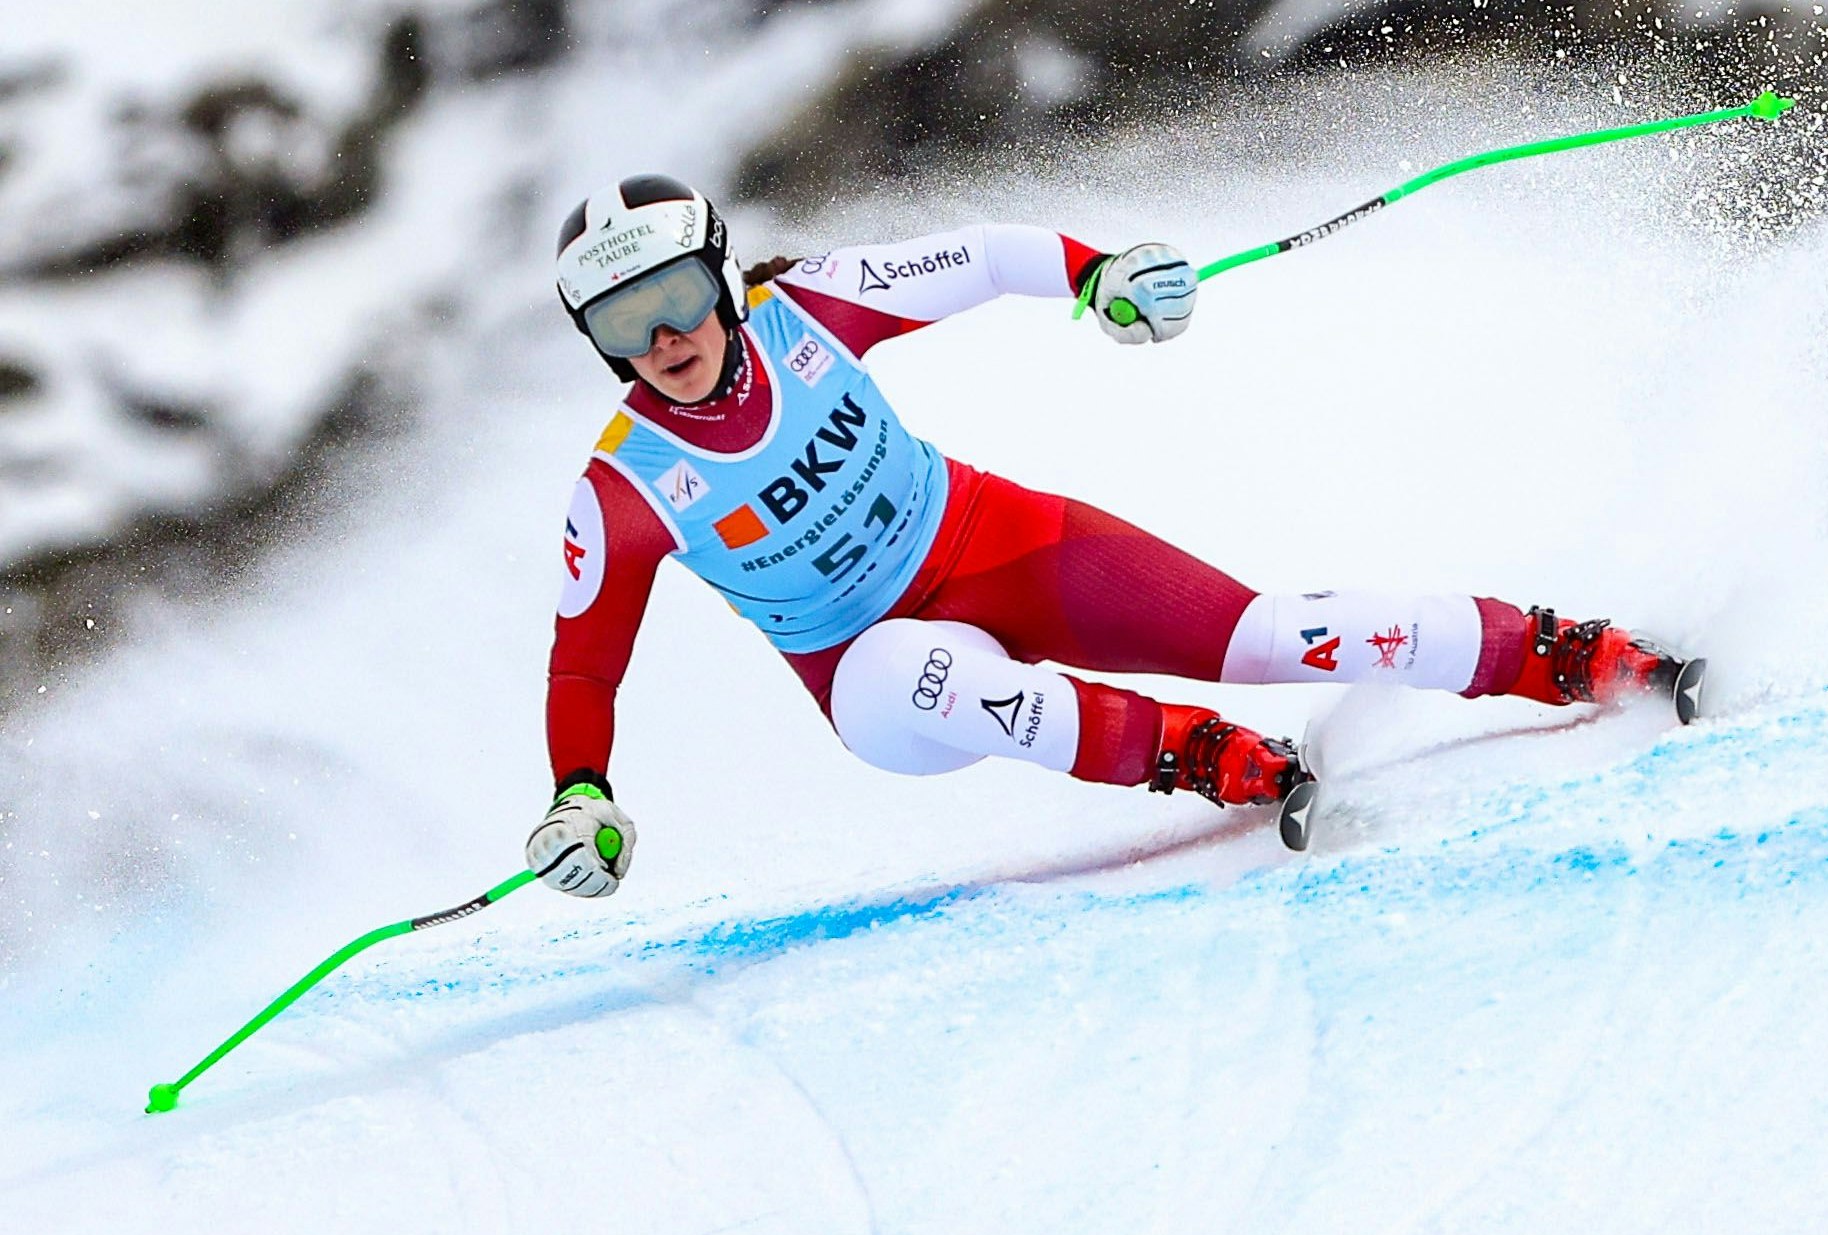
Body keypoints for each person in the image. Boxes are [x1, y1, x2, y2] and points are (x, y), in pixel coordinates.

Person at [523, 174, 1703, 898]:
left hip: (996, 541)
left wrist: (1100, 277)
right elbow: (585, 660)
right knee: (911, 669)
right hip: (872, 680)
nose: (664, 337)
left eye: (677, 294)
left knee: (1269, 628)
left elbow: (980, 259)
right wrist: (583, 794)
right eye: (625, 323)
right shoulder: (627, 485)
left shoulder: (811, 309)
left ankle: (1568, 653)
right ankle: (1199, 753)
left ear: (723, 277)